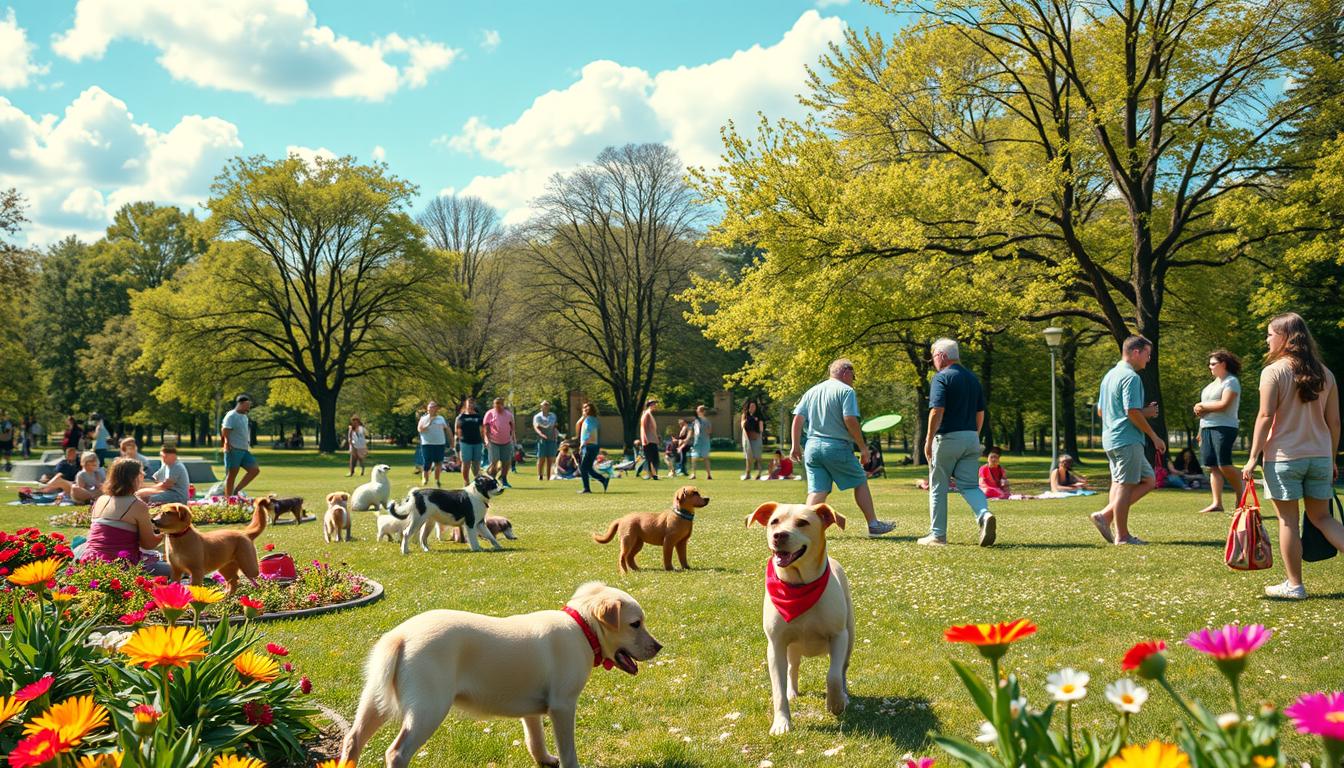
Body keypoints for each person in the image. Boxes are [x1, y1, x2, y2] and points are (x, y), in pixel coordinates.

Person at [1241, 312, 1342, 600]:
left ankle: (1294, 585)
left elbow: (1265, 415)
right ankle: (1292, 584)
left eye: (1271, 334)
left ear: (1284, 338)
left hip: (1285, 457)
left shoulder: (1273, 372)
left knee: (1288, 521)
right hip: (1320, 457)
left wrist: (1252, 458)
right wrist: (1331, 458)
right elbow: (1334, 423)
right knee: (1322, 518)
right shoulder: (1326, 373)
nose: (1267, 339)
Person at [791, 358, 895, 536]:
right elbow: (850, 419)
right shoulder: (847, 391)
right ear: (846, 372)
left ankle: (802, 529)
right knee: (860, 480)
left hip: (812, 447)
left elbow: (798, 419)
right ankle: (873, 525)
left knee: (818, 490)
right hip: (836, 446)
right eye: (853, 376)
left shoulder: (812, 391)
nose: (853, 380)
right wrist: (862, 447)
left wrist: (795, 446)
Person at [1091, 336, 1165, 546]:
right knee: (1125, 484)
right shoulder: (1131, 377)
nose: (1148, 359)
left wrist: (1143, 412)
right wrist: (1154, 434)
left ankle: (1106, 517)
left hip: (1112, 438)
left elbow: (1100, 411)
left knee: (1148, 480)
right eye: (1147, 354)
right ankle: (1121, 536)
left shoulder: (1110, 375)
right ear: (1136, 352)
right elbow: (1131, 411)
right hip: (1126, 439)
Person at [921, 339, 995, 546]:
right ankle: (984, 514)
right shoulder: (973, 379)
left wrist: (928, 440)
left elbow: (937, 410)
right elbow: (980, 413)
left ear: (943, 356)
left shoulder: (941, 378)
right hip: (971, 437)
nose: (933, 361)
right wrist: (974, 436)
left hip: (947, 438)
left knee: (938, 486)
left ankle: (937, 535)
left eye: (934, 356)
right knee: (970, 485)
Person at [72, 458, 170, 576]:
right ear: (133, 478)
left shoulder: (101, 500)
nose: (144, 475)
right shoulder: (137, 505)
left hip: (90, 562)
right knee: (180, 568)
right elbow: (148, 544)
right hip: (119, 565)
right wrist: (166, 531)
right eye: (141, 472)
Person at [1194, 349, 1244, 512]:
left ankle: (1242, 495)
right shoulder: (1210, 386)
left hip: (1225, 427)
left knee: (1224, 465)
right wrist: (1201, 432)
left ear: (1223, 364)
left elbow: (1224, 405)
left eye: (1213, 364)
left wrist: (1202, 406)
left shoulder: (1231, 382)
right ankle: (1217, 503)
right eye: (1209, 364)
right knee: (1212, 466)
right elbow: (1205, 411)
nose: (1210, 367)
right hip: (1207, 427)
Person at [221, 394, 260, 497]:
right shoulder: (231, 415)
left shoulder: (244, 416)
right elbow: (225, 430)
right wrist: (226, 443)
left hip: (244, 450)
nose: (249, 407)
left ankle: (236, 491)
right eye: (247, 405)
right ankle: (228, 499)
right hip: (233, 450)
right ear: (240, 404)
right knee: (232, 475)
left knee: (254, 470)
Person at [574, 402, 609, 494]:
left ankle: (587, 488)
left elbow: (591, 434)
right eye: (583, 408)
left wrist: (583, 443)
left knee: (583, 468)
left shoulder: (590, 420)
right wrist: (583, 416)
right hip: (591, 446)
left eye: (586, 408)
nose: (584, 409)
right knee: (588, 468)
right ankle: (603, 480)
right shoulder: (589, 419)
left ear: (591, 409)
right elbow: (578, 425)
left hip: (589, 446)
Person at [483, 398, 515, 488]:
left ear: (503, 404)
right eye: (496, 403)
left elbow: (512, 428)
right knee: (494, 461)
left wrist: (512, 439)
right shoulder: (489, 413)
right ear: (494, 404)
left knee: (506, 462)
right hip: (493, 441)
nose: (498, 405)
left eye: (500, 403)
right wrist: (486, 440)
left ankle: (503, 479)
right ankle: (491, 479)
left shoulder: (508, 415)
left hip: (506, 441)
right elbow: (485, 429)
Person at [418, 401, 451, 488]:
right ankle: (425, 478)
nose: (432, 409)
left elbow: (447, 429)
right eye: (430, 407)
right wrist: (429, 422)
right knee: (427, 462)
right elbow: (420, 429)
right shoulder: (423, 418)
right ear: (427, 409)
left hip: (440, 443)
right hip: (427, 444)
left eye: (434, 407)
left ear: (437, 409)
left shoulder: (441, 418)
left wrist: (451, 441)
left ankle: (437, 480)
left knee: (438, 462)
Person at [455, 397, 484, 485]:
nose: (471, 405)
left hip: (477, 442)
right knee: (466, 463)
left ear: (474, 405)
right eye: (469, 404)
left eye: (472, 404)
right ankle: (466, 481)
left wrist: (484, 440)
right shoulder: (461, 417)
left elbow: (482, 430)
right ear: (466, 405)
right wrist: (458, 442)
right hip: (465, 443)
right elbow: (457, 430)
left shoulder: (478, 416)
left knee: (476, 464)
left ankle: (477, 481)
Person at [533, 401, 559, 481]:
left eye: (547, 405)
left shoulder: (553, 416)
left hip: (552, 439)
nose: (546, 406)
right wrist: (542, 435)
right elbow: (536, 427)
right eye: (544, 405)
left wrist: (556, 434)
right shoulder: (538, 417)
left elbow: (555, 426)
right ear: (541, 407)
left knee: (550, 459)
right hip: (542, 440)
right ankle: (540, 475)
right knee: (541, 458)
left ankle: (549, 477)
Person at [688, 405, 714, 480]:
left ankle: (709, 475)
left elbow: (710, 431)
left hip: (705, 442)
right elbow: (692, 430)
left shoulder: (707, 421)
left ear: (703, 412)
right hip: (697, 442)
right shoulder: (695, 421)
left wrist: (704, 433)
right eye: (697, 410)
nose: (697, 411)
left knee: (706, 458)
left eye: (699, 410)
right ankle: (693, 474)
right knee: (693, 458)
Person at [741, 399, 764, 480]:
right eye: (751, 406)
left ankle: (759, 473)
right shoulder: (745, 415)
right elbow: (742, 426)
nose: (752, 407)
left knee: (758, 457)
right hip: (747, 439)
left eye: (754, 406)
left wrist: (759, 435)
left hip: (756, 438)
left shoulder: (759, 416)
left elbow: (761, 428)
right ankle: (748, 474)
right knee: (748, 457)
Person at [638, 399, 660, 480]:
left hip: (652, 440)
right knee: (650, 458)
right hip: (649, 440)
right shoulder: (647, 414)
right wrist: (645, 439)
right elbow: (644, 428)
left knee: (654, 458)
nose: (656, 405)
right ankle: (649, 474)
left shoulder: (649, 414)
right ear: (650, 405)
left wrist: (656, 437)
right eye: (654, 404)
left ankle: (653, 474)